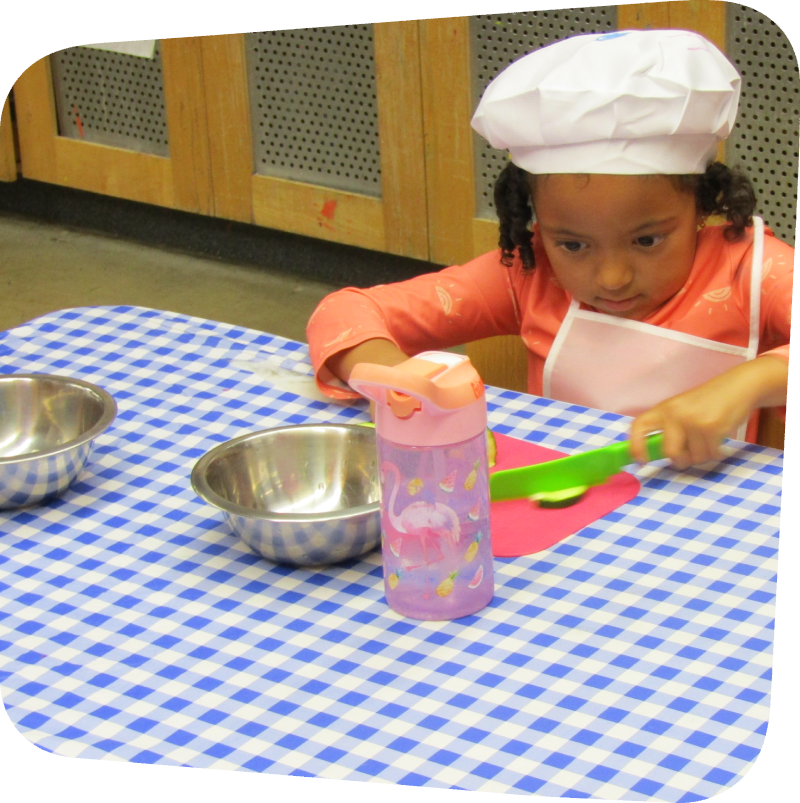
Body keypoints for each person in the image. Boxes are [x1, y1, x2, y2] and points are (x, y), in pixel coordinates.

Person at [307, 29, 798, 469]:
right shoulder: (528, 272)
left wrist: (749, 385)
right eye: (574, 244)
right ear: (537, 223)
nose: (612, 277)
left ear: (702, 208)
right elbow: (347, 311)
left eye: (647, 240)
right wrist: (397, 379)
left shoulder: (752, 272)